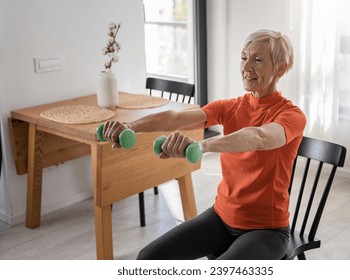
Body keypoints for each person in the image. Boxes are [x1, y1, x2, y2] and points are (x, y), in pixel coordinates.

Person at [102, 29, 306, 260]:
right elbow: (175, 118)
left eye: (258, 60)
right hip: (221, 217)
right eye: (243, 57)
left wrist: (203, 146)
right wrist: (132, 127)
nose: (246, 66)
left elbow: (260, 138)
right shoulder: (231, 106)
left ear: (280, 68)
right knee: (148, 257)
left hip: (266, 231)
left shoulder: (291, 115)